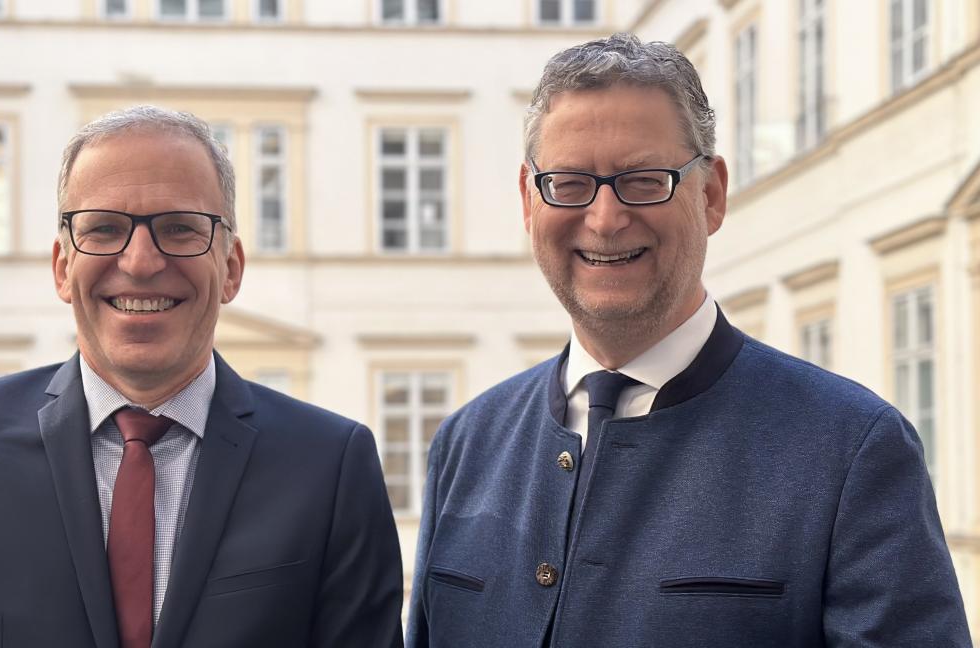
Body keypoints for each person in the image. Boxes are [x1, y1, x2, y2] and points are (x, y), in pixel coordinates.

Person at [407, 34, 970, 647]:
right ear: (528, 200)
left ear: (711, 195)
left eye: (644, 180)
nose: (604, 218)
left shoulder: (850, 450)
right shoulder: (467, 442)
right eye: (568, 184)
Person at [0, 105, 404, 648]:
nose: (140, 261)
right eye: (105, 228)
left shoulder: (329, 466)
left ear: (230, 268)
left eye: (181, 228)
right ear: (63, 267)